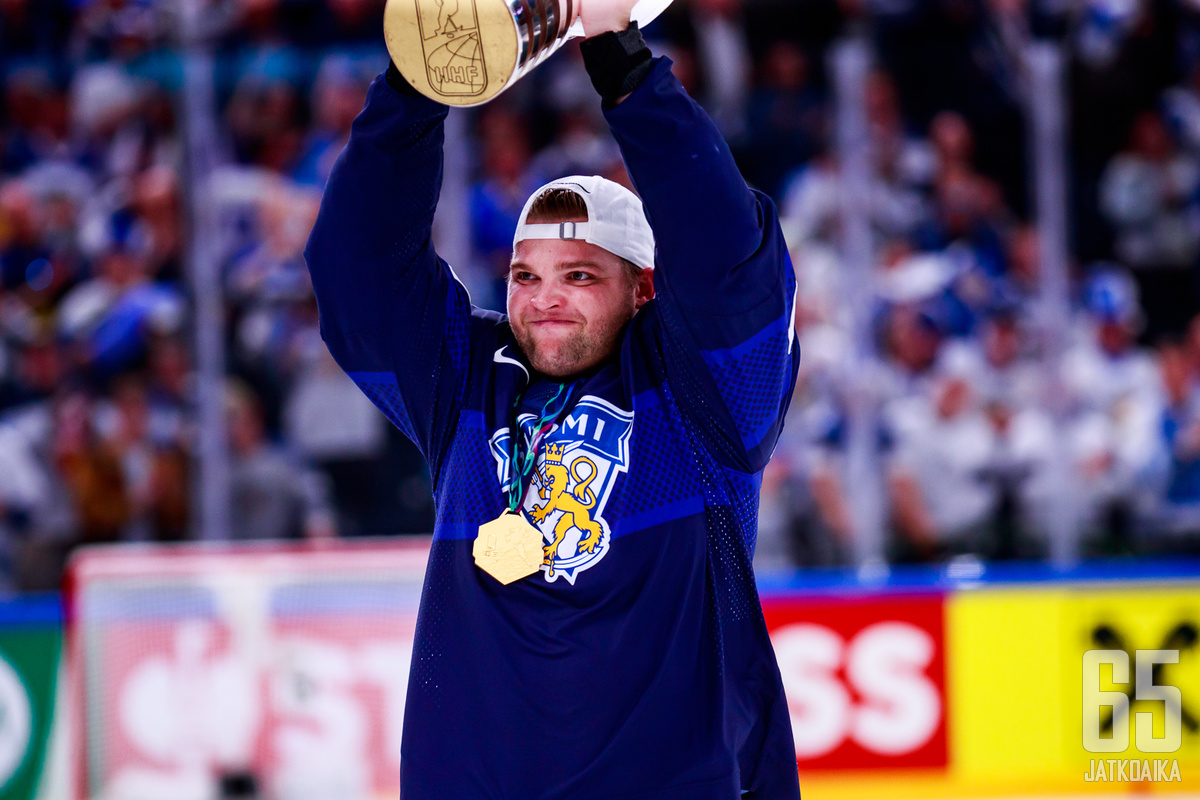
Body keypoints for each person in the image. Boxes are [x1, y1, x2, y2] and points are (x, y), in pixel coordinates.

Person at [304, 5, 802, 797]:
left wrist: (623, 64)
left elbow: (729, 270)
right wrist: (422, 78)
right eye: (525, 276)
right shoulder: (467, 382)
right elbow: (356, 273)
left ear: (642, 288)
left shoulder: (703, 407)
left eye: (579, 275)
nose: (543, 300)